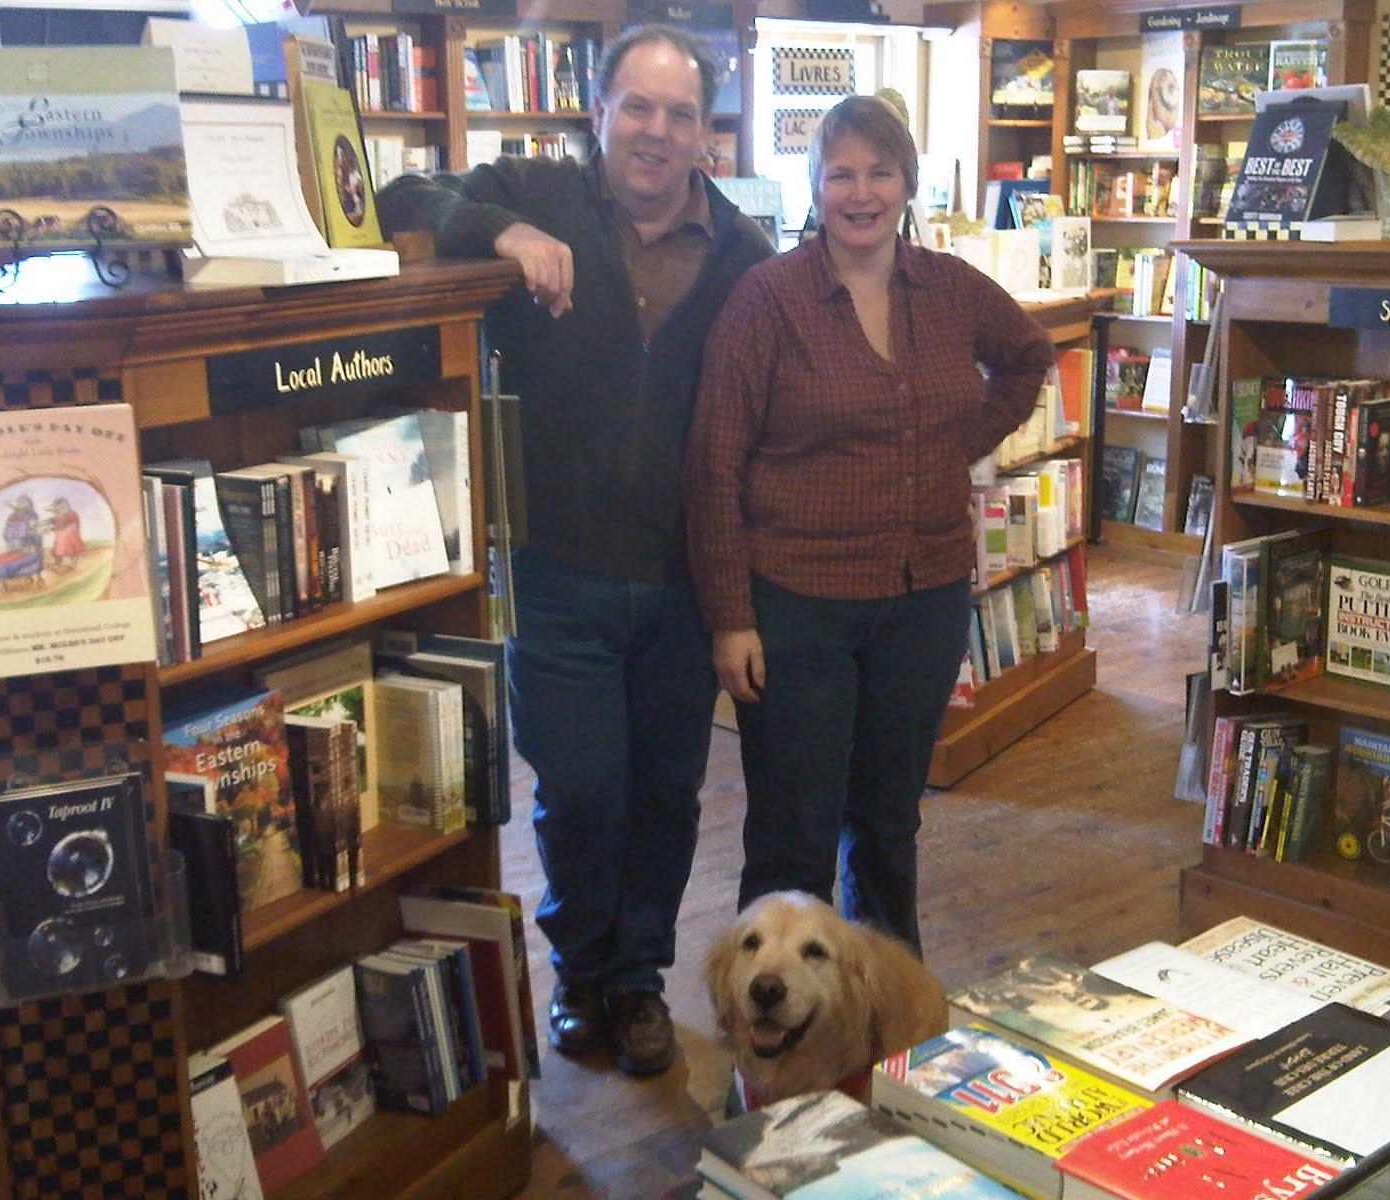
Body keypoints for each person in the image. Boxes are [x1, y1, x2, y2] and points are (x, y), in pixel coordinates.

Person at [375, 25, 772, 1076]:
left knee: (662, 798)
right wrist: (499, 232)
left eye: (679, 114)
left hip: (684, 585)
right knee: (580, 790)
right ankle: (579, 969)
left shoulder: (742, 255)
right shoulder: (536, 195)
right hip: (556, 572)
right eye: (637, 107)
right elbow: (397, 200)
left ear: (704, 134)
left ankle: (635, 981)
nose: (655, 131)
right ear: (597, 111)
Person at [683, 95, 1055, 955]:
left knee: (889, 822)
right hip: (795, 607)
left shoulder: (950, 288)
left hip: (922, 601)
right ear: (814, 186)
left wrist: (957, 440)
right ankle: (772, 1038)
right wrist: (731, 617)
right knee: (793, 836)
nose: (861, 191)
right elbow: (713, 464)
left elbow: (1028, 355)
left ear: (907, 182)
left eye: (879, 171)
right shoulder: (767, 300)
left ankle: (887, 1012)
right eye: (841, 172)